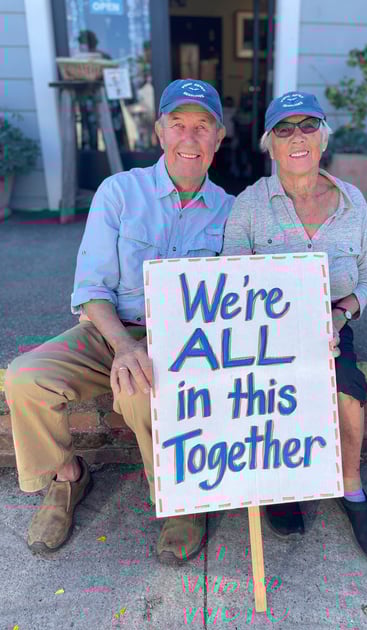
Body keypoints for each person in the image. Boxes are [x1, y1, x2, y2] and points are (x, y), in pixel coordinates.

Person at [3, 79, 232, 564]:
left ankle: (180, 499)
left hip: (179, 343)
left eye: (201, 127)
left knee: (141, 389)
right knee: (25, 377)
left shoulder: (232, 213)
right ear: (159, 132)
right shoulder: (120, 192)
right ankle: (68, 479)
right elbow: (90, 288)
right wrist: (125, 347)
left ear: (219, 137)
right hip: (106, 332)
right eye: (178, 125)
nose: (189, 139)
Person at [221, 91, 367, 563]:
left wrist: (341, 315)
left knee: (347, 390)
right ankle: (281, 483)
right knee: (267, 395)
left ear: (322, 138)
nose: (297, 137)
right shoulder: (250, 204)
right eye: (284, 129)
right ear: (269, 145)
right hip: (264, 336)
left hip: (330, 325)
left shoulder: (352, 201)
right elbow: (228, 282)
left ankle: (351, 489)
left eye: (308, 125)